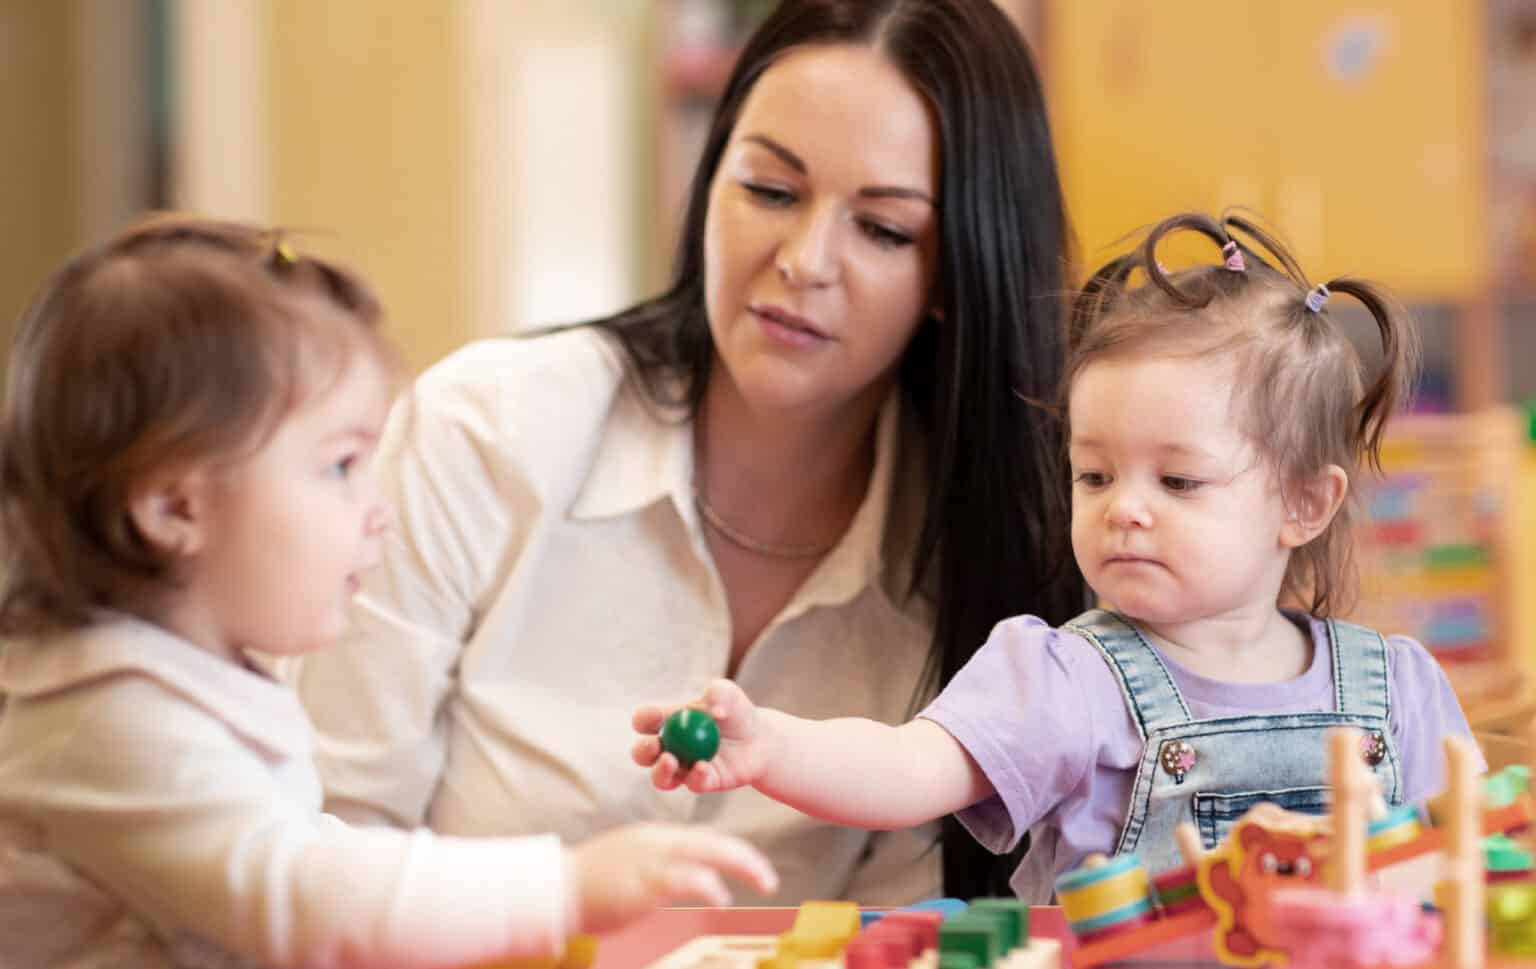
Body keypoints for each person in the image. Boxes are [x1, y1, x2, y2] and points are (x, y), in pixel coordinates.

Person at [285, 0, 1085, 904]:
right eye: (771, 190)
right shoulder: (481, 434)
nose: (804, 260)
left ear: (955, 274)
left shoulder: (981, 566)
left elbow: (906, 930)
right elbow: (324, 840)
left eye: (884, 229)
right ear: (711, 182)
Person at [633, 211, 1482, 902]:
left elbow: (1470, 860)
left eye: (1179, 480)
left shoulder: (1396, 687)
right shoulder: (1064, 678)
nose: (1126, 509)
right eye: (1095, 473)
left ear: (1304, 503)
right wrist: (770, 745)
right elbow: (907, 766)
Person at [0, 215, 777, 969]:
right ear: (174, 508)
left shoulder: (179, 683)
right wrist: (563, 887)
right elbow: (295, 894)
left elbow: (309, 849)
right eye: (340, 466)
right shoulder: (106, 722)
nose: (378, 508)